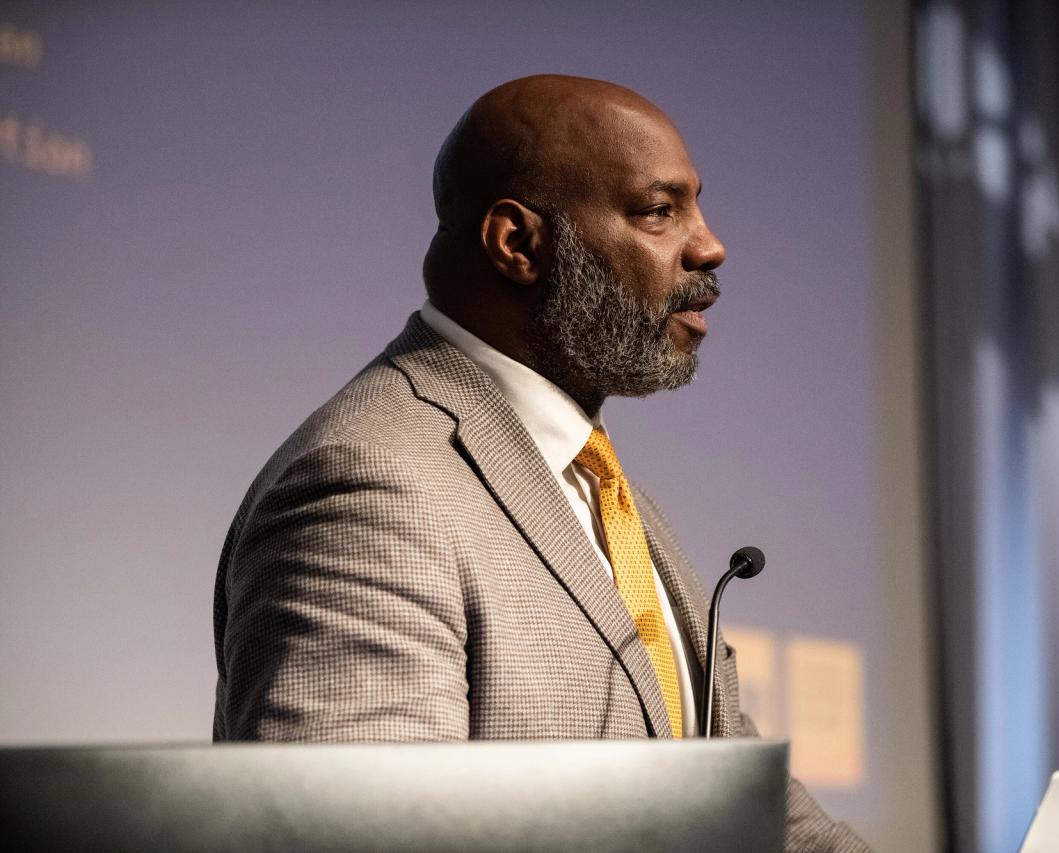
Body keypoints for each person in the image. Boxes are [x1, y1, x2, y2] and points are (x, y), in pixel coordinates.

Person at [213, 74, 871, 852]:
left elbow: (743, 807)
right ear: (518, 244)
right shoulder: (370, 489)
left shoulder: (591, 477)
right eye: (659, 211)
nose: (709, 245)